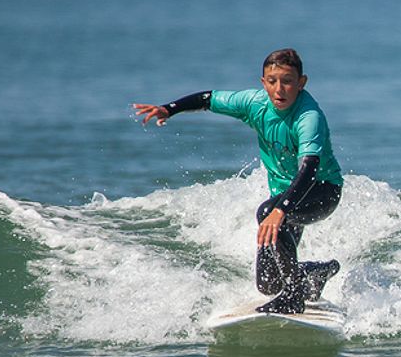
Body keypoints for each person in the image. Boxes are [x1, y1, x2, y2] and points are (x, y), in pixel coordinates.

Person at [133, 48, 344, 314]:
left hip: (321, 190)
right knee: (267, 284)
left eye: (288, 81)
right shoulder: (254, 103)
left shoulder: (308, 117)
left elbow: (310, 168)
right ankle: (313, 273)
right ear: (263, 82)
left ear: (301, 83)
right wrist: (169, 109)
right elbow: (209, 99)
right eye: (272, 81)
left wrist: (281, 210)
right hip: (285, 194)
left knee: (267, 212)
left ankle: (294, 296)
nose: (280, 89)